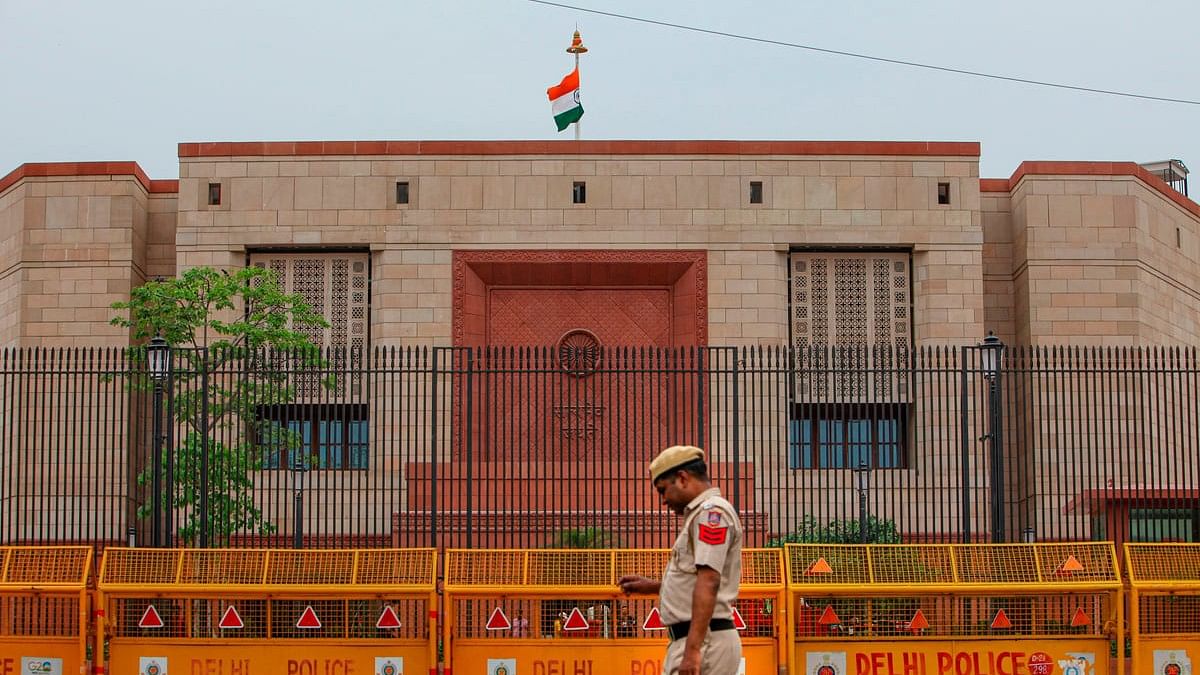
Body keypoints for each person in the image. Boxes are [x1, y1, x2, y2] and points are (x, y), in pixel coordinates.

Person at [618, 445, 743, 675]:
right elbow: (697, 579)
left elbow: (709, 580)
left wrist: (692, 651)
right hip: (700, 640)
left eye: (663, 490)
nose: (663, 500)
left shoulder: (711, 514)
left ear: (683, 478)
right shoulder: (701, 514)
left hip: (704, 643)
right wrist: (654, 587)